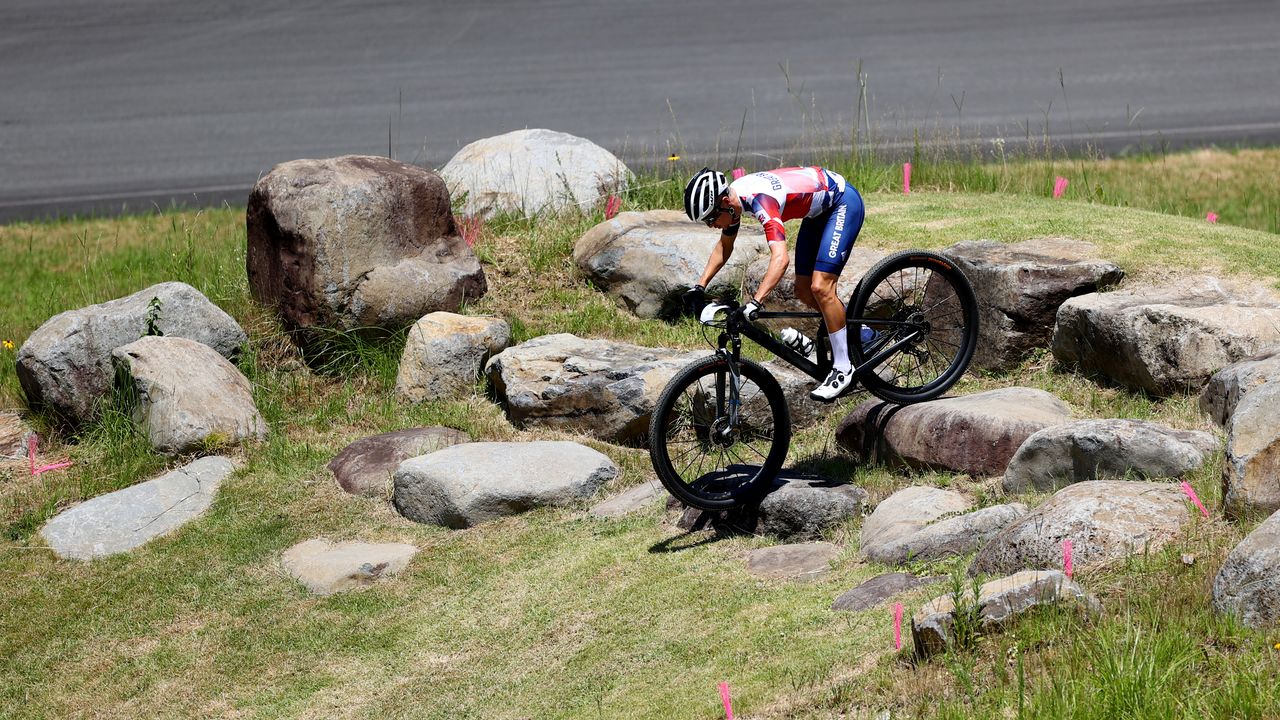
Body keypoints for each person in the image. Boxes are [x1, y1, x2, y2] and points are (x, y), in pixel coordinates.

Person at [681, 165, 866, 401]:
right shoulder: (734, 204)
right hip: (818, 211)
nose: (712, 225)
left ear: (725, 201)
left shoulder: (761, 201)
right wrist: (699, 286)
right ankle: (862, 335)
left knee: (821, 286)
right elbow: (724, 247)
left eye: (711, 218)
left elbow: (781, 259)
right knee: (803, 290)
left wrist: (756, 301)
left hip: (841, 202)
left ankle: (843, 368)